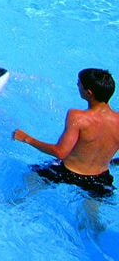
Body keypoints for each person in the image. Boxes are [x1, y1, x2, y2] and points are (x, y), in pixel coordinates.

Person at [12, 68, 119, 198]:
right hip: (100, 179)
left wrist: (26, 138)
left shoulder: (77, 117)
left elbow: (60, 152)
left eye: (79, 83)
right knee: (91, 216)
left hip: (67, 171)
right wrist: (110, 162)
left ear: (89, 92)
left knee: (24, 188)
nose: (77, 85)